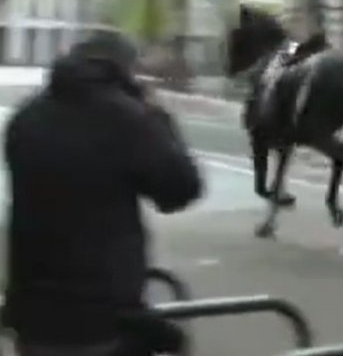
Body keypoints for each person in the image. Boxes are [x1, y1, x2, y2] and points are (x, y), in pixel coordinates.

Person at [2, 30, 205, 356]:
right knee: (172, 342)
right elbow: (180, 190)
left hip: (32, 314)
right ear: (124, 69)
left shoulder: (26, 117)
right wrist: (159, 117)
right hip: (103, 315)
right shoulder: (128, 117)